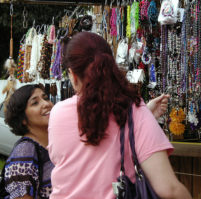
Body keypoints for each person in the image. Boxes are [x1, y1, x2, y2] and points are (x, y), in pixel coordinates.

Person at [48, 32, 191, 199]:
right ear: (111, 66)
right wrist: (142, 114)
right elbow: (169, 190)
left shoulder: (57, 113)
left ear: (72, 75)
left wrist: (144, 114)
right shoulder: (134, 110)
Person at [2, 84, 170, 199]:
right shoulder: (24, 152)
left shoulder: (57, 141)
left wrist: (145, 114)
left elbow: (110, 140)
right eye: (35, 103)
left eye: (45, 97)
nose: (46, 104)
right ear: (22, 119)